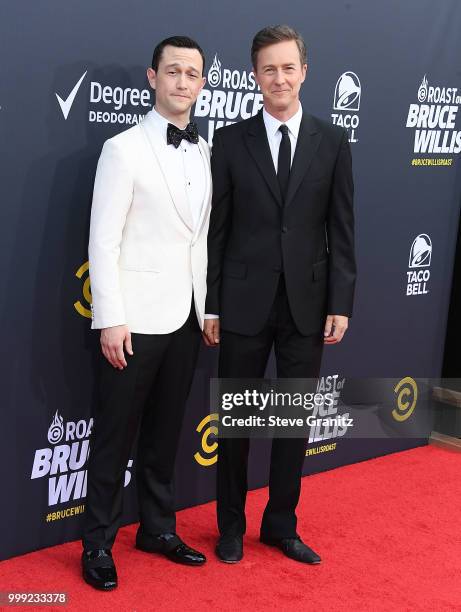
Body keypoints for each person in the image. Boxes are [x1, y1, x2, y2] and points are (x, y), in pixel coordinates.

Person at [204, 25, 356, 564]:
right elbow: (216, 231)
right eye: (269, 68)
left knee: (292, 423)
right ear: (255, 77)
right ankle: (229, 526)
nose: (279, 78)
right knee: (238, 422)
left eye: (288, 67)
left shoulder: (333, 141)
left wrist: (340, 302)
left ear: (304, 72)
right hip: (243, 303)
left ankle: (280, 525)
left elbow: (342, 229)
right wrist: (212, 303)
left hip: (307, 305)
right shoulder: (228, 141)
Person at [82, 36, 211, 590]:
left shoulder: (206, 150)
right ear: (152, 77)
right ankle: (97, 544)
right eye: (174, 71)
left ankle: (157, 529)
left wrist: (210, 309)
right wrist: (110, 316)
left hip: (187, 318)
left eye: (194, 73)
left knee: (164, 434)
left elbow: (201, 240)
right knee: (115, 435)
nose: (184, 82)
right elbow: (102, 241)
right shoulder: (123, 148)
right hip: (133, 322)